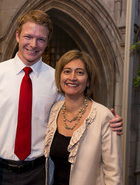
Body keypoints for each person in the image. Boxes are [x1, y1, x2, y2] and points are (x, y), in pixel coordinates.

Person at [0, 10, 123, 185]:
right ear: (17, 36)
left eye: (41, 39)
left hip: (39, 174)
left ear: (47, 42)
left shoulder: (56, 80)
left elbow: (76, 113)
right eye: (28, 36)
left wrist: (108, 121)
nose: (33, 44)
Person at [44, 50, 123, 185]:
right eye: (67, 71)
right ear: (60, 77)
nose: (72, 77)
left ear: (88, 81)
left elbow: (113, 174)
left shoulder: (103, 117)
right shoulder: (54, 110)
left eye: (80, 72)